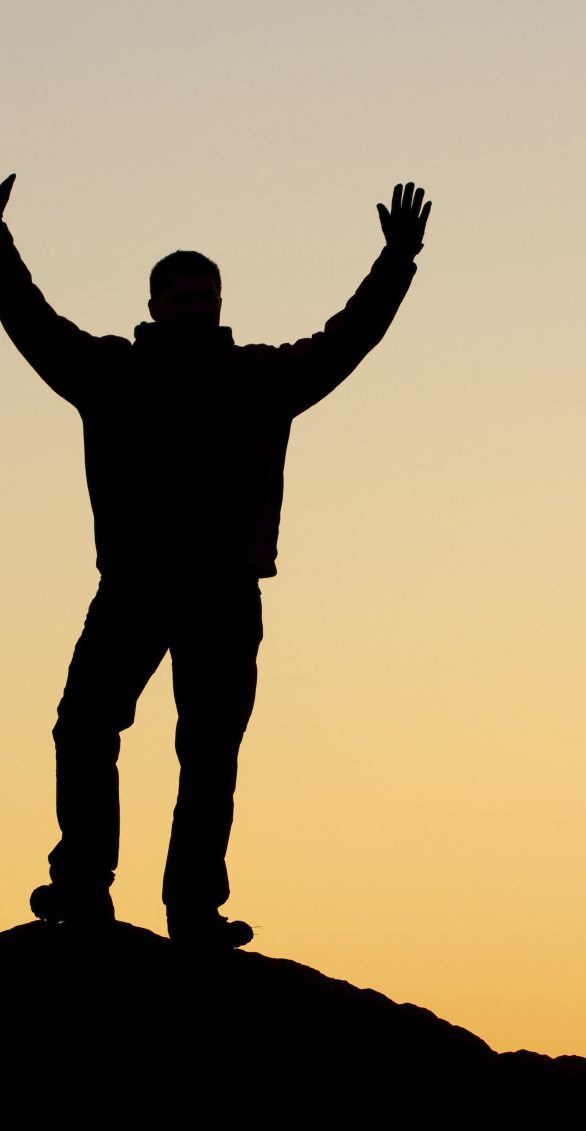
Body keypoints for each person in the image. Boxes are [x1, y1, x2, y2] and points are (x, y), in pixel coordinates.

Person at [0, 172, 431, 947]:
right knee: (85, 725)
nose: (199, 309)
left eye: (209, 298)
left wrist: (395, 262)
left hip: (226, 593)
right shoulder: (111, 373)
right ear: (155, 304)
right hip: (133, 586)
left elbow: (348, 339)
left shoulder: (260, 377)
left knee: (208, 753)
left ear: (221, 305)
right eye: (184, 298)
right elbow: (30, 320)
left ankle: (193, 910)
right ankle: (83, 885)